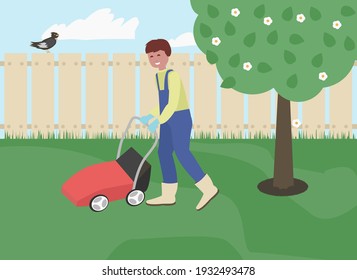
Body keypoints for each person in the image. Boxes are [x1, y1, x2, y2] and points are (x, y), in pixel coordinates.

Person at [140, 39, 219, 210]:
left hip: (180, 118)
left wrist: (157, 121)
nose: (155, 59)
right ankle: (168, 194)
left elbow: (173, 103)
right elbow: (162, 104)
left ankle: (208, 188)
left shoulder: (172, 76)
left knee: (182, 152)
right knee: (163, 152)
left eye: (159, 54)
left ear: (167, 55)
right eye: (151, 56)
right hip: (166, 118)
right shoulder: (157, 76)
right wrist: (151, 115)